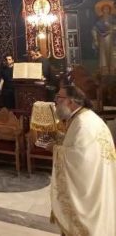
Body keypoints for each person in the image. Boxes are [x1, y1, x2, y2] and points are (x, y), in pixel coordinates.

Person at [50, 85, 116, 235]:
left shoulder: (82, 123)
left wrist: (54, 149)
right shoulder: (86, 117)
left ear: (71, 101)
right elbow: (83, 146)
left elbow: (80, 159)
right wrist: (62, 138)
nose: (55, 102)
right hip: (98, 181)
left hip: (89, 190)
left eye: (59, 98)